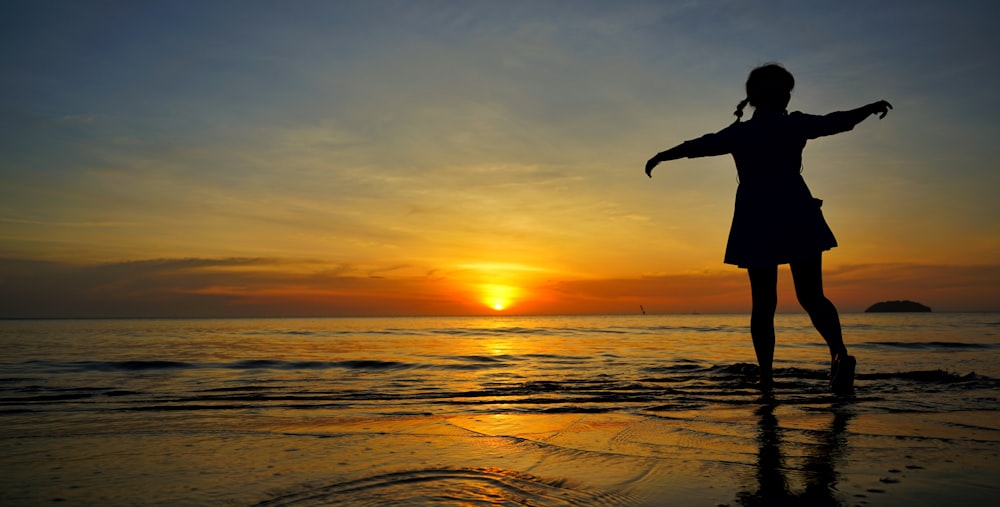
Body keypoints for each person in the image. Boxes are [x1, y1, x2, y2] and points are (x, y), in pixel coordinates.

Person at [644, 63, 891, 392]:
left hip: (757, 219)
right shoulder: (794, 125)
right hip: (796, 212)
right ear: (770, 95)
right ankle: (839, 354)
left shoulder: (742, 133)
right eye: (785, 91)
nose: (789, 96)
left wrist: (662, 155)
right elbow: (837, 121)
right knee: (812, 295)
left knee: (763, 303)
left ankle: (767, 377)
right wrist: (867, 109)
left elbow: (700, 145)